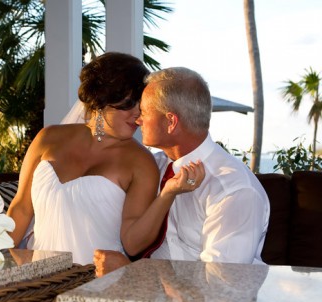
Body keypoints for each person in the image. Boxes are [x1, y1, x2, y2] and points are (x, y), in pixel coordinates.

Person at [7, 53, 205, 265]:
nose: (138, 116)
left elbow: (133, 244)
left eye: (142, 106)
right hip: (38, 281)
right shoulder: (48, 138)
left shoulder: (141, 162)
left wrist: (168, 194)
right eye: (129, 104)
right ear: (103, 98)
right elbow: (21, 209)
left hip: (96, 283)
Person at [94, 67, 270, 276]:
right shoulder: (152, 167)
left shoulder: (234, 190)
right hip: (152, 298)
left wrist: (129, 274)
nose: (138, 120)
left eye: (145, 112)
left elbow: (218, 282)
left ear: (170, 122)